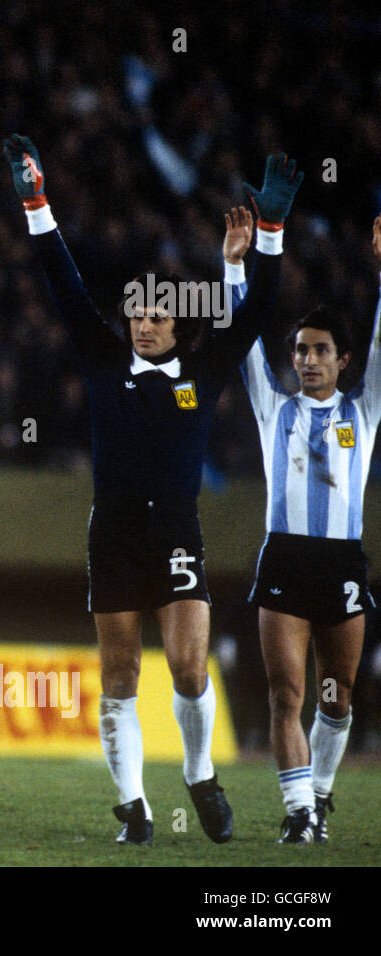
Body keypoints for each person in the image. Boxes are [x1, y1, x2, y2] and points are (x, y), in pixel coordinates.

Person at [2, 133, 302, 845]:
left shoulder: (204, 370)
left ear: (177, 324)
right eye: (135, 315)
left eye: (156, 317)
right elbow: (63, 281)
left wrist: (271, 233)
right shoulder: (105, 361)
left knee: (191, 668)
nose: (142, 325)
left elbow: (259, 309)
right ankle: (133, 809)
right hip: (111, 532)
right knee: (120, 674)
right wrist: (35, 201)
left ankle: (199, 775)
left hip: (175, 529)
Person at [228, 210, 381, 843]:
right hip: (285, 560)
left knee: (334, 696)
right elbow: (241, 342)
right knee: (285, 692)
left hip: (342, 564)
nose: (307, 360)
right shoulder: (274, 409)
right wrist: (233, 264)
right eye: (300, 350)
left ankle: (318, 795)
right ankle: (299, 815)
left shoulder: (365, 410)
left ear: (344, 359)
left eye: (320, 350)